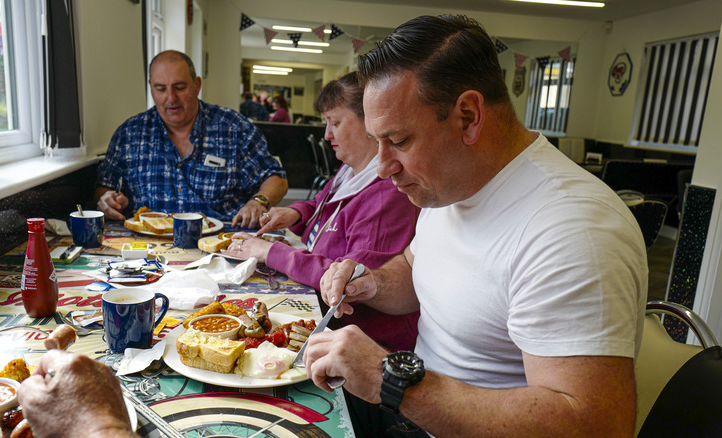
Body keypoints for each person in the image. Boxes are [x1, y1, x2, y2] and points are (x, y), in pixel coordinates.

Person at [303, 15, 648, 437]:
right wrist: (371, 282)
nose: (382, 168)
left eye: (399, 140)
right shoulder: (450, 183)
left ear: (467, 115)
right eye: (377, 141)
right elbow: (414, 268)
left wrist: (389, 380)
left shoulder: (573, 229)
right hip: (413, 416)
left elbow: (597, 425)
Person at [223, 72, 421, 353]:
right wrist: (295, 214)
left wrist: (269, 253)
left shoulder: (385, 197)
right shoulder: (349, 171)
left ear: (371, 123)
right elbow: (321, 205)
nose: (327, 135)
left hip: (366, 341)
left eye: (335, 123)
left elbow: (346, 281)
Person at [96, 50, 288, 229]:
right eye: (161, 89)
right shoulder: (129, 134)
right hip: (149, 247)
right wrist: (109, 200)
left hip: (222, 243)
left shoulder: (234, 129)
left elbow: (276, 178)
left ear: (197, 85)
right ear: (151, 88)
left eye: (179, 87)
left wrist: (258, 202)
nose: (171, 98)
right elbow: (105, 187)